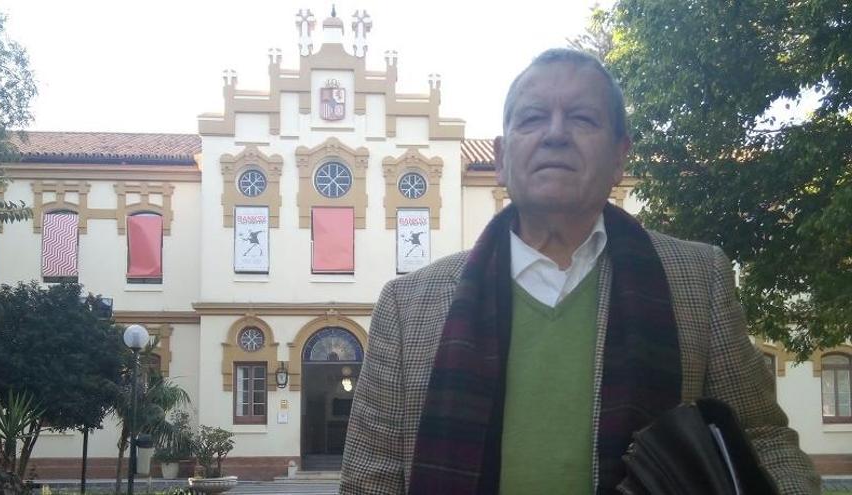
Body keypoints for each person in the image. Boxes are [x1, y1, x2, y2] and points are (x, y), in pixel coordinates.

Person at [340, 49, 819, 494]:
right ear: (503, 159)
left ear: (619, 157)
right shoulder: (409, 307)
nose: (555, 133)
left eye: (582, 118)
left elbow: (763, 439)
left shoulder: (698, 279)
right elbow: (371, 481)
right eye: (532, 118)